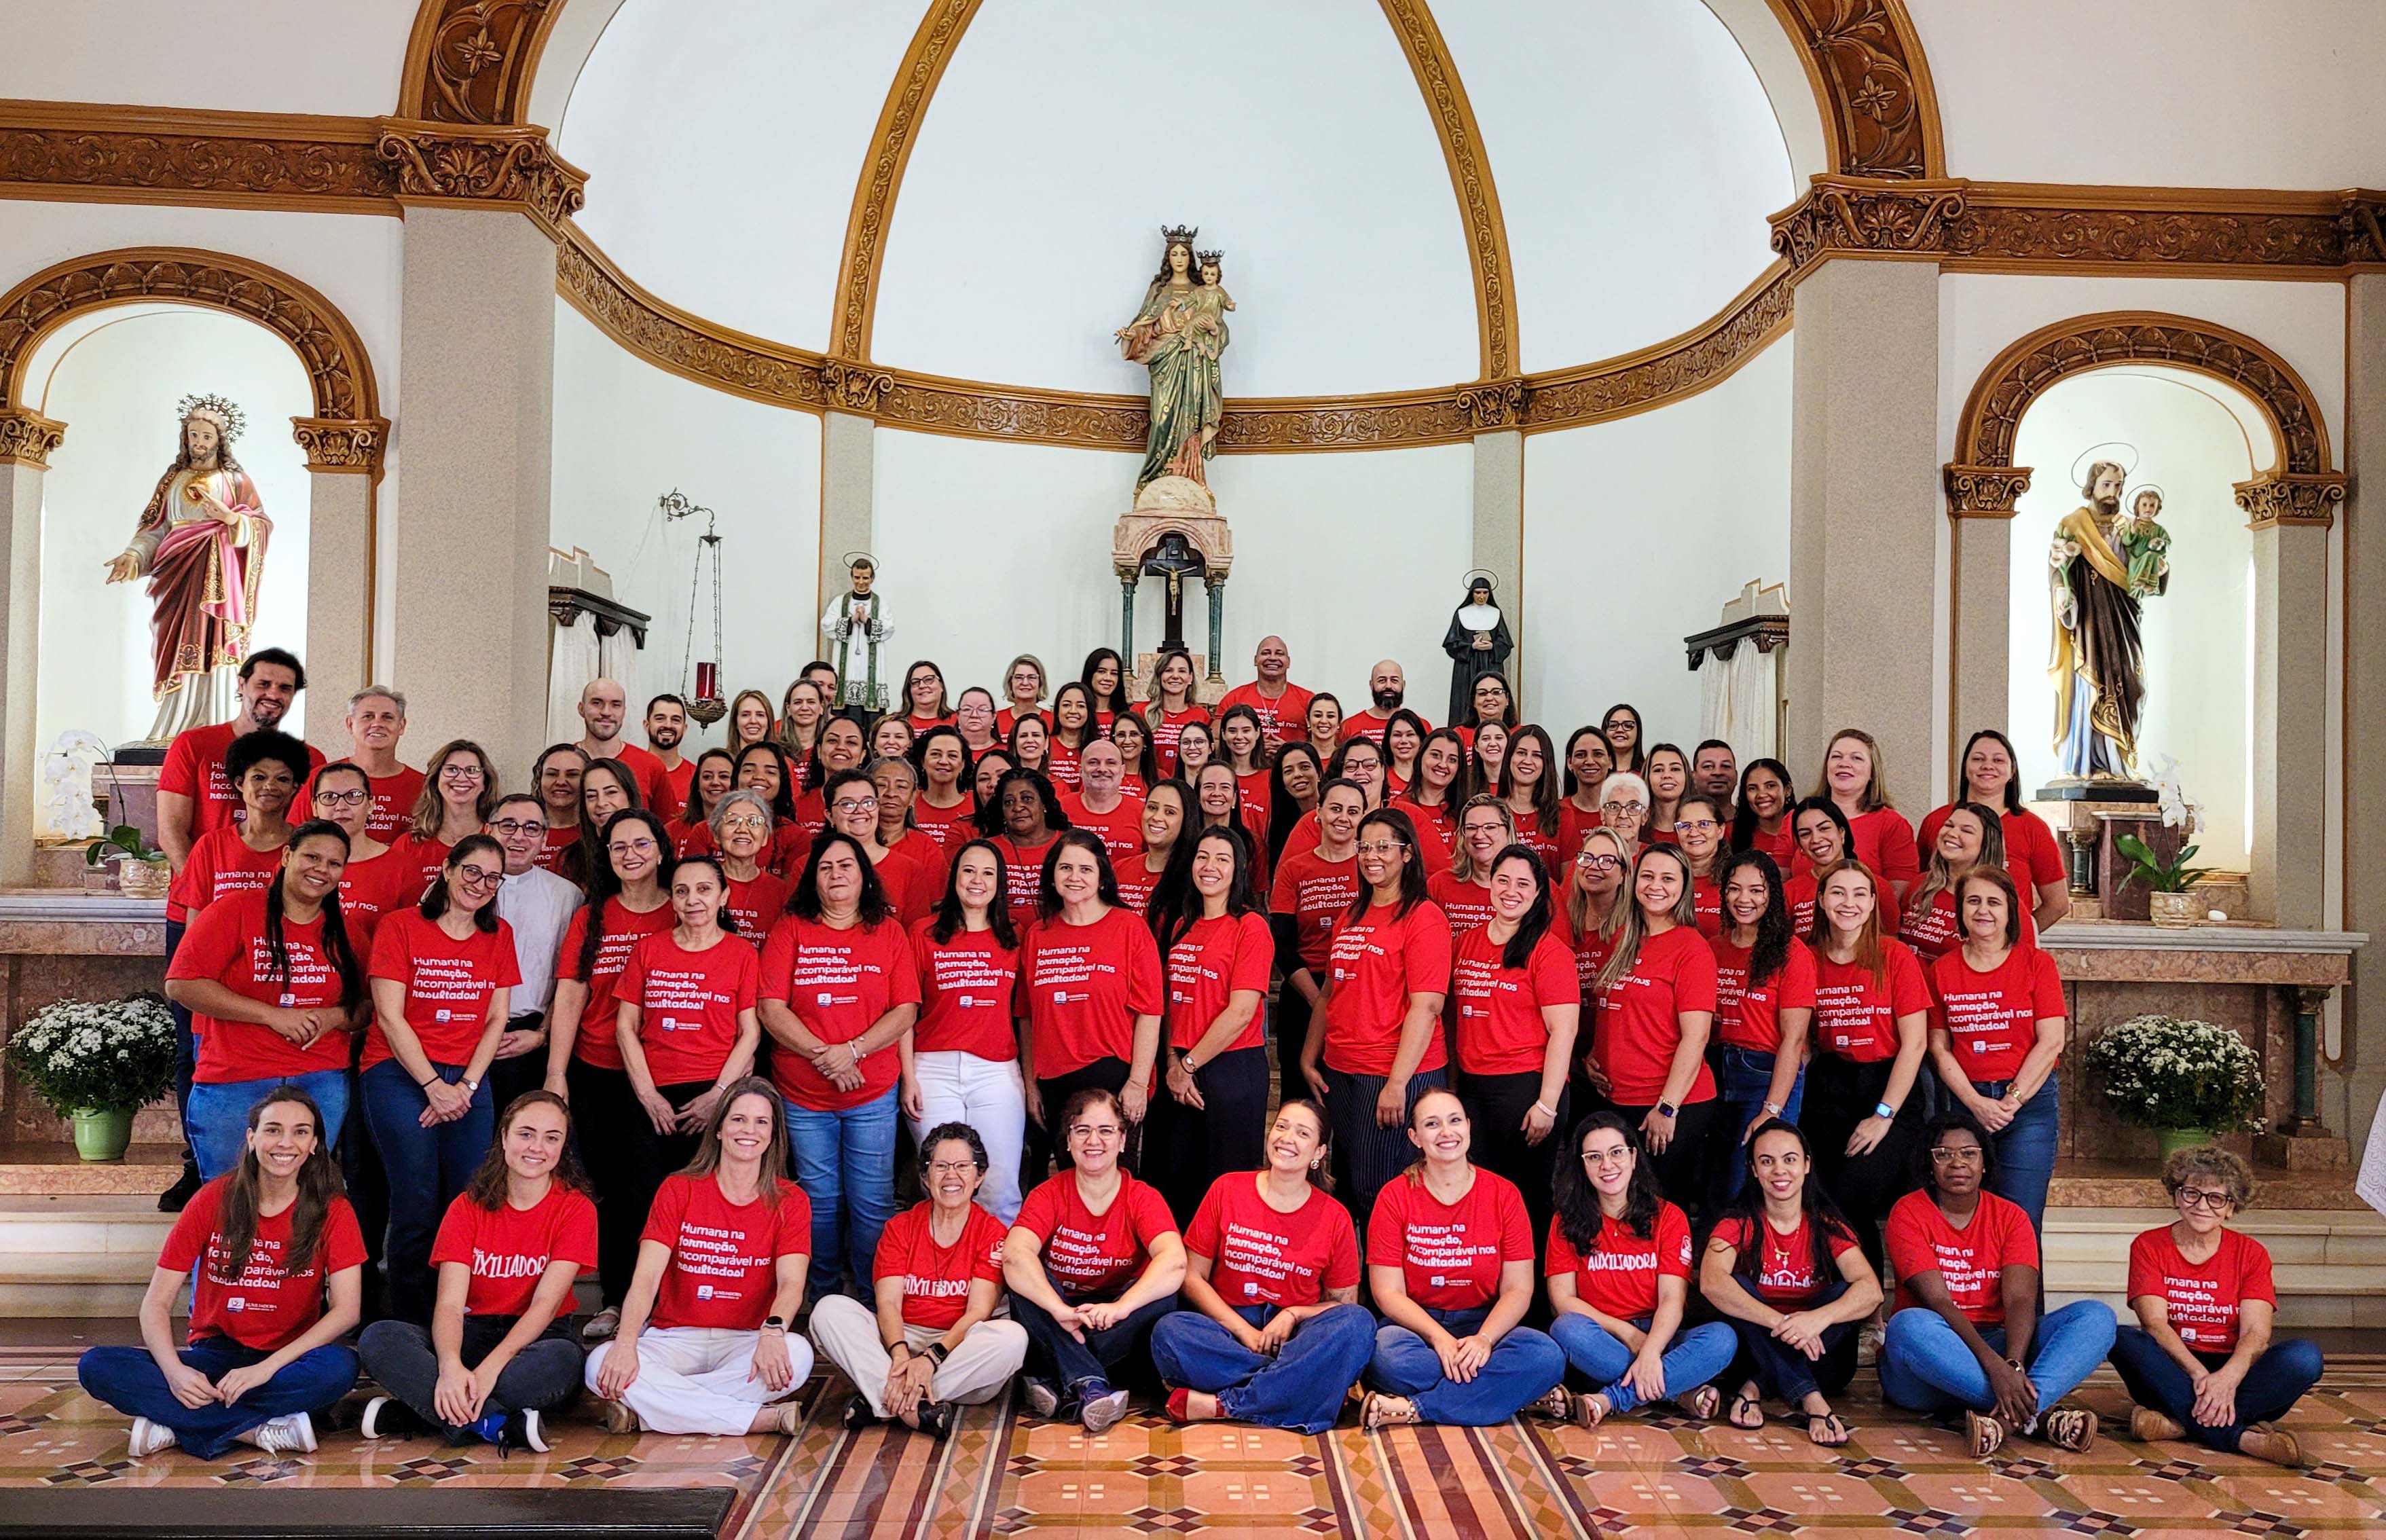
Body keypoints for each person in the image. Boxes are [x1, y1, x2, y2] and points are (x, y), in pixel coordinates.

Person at [78, 1089, 363, 1459]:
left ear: (314, 1145)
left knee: (339, 1368)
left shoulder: (333, 1210)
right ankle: (255, 1430)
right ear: (252, 1138)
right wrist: (175, 1374)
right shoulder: (213, 1198)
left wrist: (265, 1369)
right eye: (273, 1130)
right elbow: (156, 1304)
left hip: (284, 1362)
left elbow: (347, 1311)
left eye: (301, 1132)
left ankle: (179, 1424)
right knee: (97, 1366)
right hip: (214, 1356)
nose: (285, 1143)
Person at [357, 1090, 594, 1452]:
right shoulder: (467, 1207)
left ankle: (419, 1413)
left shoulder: (576, 1209)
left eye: (552, 1138)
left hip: (538, 1338)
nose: (537, 1147)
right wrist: (451, 1366)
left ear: (564, 1146)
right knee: (379, 1338)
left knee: (563, 1363)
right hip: (472, 1333)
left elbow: (545, 1305)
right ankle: (493, 1421)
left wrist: (488, 1371)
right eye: (526, 1134)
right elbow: (450, 1305)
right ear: (504, 1138)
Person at [585, 1080, 813, 1435]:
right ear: (719, 1128)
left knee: (797, 1355)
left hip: (747, 1339)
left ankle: (651, 1414)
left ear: (773, 1135)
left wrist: (772, 1333)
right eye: (738, 1119)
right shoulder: (679, 1188)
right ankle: (754, 1419)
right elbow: (645, 1278)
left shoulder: (791, 1200)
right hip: (674, 1337)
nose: (748, 1130)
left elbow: (792, 1282)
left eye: (761, 1122)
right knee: (600, 1364)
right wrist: (627, 1343)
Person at [1879, 1115, 2111, 1454]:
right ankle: (2040, 1414)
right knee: (1909, 1324)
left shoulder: (2011, 1216)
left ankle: (2005, 1420)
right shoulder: (1909, 1211)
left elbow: (2020, 1300)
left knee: (2096, 1318)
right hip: (1930, 1364)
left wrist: (2013, 1364)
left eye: (1969, 1153)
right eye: (1943, 1154)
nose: (1957, 1162)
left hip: (1999, 1345)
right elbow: (1938, 1301)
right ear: (1929, 1164)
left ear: (1985, 1163)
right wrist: (1996, 1369)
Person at [364, 835, 520, 1323]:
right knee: (416, 1197)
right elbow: (390, 1017)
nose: (480, 884)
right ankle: (407, 1318)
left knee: (469, 1198)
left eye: (492, 878)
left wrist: (467, 1088)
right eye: (472, 871)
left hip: (468, 1078)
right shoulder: (401, 926)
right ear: (448, 870)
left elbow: (498, 1020)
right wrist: (435, 1086)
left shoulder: (500, 935)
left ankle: (452, 1315)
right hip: (398, 1072)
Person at [760, 832, 921, 1300]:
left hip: (872, 1092)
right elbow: (772, 1007)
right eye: (825, 867)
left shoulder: (888, 932)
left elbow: (905, 1009)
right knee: (820, 1203)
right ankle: (824, 1295)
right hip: (803, 1095)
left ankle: (875, 1299)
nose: (835, 875)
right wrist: (826, 1056)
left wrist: (851, 1051)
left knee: (872, 1203)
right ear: (812, 878)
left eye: (845, 866)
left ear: (863, 876)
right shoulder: (790, 928)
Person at [1150, 1100, 1373, 1433]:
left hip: (1297, 1338)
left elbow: (1343, 1306)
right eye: (1282, 1126)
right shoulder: (1227, 1189)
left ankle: (1224, 1405)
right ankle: (1309, 1384)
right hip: (1230, 1329)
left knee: (1358, 1324)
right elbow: (1192, 1277)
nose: (1287, 1138)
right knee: (1169, 1333)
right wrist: (1245, 1333)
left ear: (1318, 1152)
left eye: (1302, 1133)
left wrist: (1293, 1314)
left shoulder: (1334, 1216)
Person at [164, 821, 365, 1179]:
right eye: (312, 857)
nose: (322, 869)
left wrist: (334, 1017)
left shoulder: (348, 931)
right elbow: (182, 983)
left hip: (320, 1079)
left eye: (334, 864)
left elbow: (367, 1007)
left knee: (305, 1201)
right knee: (230, 1200)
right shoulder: (235, 909)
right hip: (236, 1077)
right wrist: (272, 1016)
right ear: (287, 856)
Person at [545, 809, 678, 1340]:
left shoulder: (680, 909)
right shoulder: (592, 916)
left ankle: (668, 1302)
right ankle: (622, 1301)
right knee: (612, 1192)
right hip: (598, 1067)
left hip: (666, 1073)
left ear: (661, 850)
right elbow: (571, 994)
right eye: (618, 846)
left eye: (641, 844)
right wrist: (557, 1073)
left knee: (662, 1191)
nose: (630, 855)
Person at [1360, 1089, 1563, 1427]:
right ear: (1415, 1137)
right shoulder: (1394, 1196)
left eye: (1455, 1121)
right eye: (1432, 1124)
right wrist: (1439, 1339)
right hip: (1417, 1328)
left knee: (1546, 1355)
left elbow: (1519, 1289)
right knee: (1384, 1357)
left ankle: (1415, 1409)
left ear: (1468, 1127)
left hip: (1485, 1324)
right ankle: (1514, 1394)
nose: (1446, 1132)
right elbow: (1387, 1293)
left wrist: (1484, 1340)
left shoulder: (1504, 1195)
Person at [809, 1123, 1029, 1437]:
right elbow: (887, 1303)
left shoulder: (992, 1232)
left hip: (958, 1352)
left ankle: (882, 1399)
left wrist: (932, 1358)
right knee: (829, 1310)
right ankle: (918, 1410)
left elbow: (978, 1312)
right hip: (900, 1343)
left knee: (1012, 1339)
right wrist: (900, 1353)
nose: (951, 1176)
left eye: (963, 1167)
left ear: (979, 1176)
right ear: (925, 1178)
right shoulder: (901, 1227)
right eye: (939, 1167)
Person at [163, 729, 311, 1189]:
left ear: (295, 788)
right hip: (223, 1007)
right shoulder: (212, 846)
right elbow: (193, 931)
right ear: (240, 784)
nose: (270, 786)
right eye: (259, 776)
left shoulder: (304, 848)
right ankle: (200, 1174)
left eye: (283, 778)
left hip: (287, 1002)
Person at [2110, 1146, 2322, 1465]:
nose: (2201, 1206)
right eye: (2191, 1193)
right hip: (2173, 1367)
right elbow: (2154, 1323)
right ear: (2176, 1196)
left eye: (2215, 1198)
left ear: (2231, 1208)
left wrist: (2227, 1378)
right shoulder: (2149, 1245)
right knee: (2122, 1339)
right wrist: (2197, 1374)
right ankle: (2243, 1438)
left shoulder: (2252, 1253)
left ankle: (2176, 1424)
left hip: (2236, 1370)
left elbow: (2256, 1333)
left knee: (2305, 1358)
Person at [1002, 1087, 1187, 1431]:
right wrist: (1060, 1311)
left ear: (1122, 1140)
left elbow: (1174, 1260)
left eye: (1106, 1131)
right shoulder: (1049, 1194)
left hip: (1116, 1322)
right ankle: (1092, 1384)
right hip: (1058, 1316)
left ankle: (1059, 1378)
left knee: (1165, 1296)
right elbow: (1014, 1255)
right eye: (1082, 1130)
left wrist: (1121, 1308)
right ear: (1068, 1142)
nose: (1094, 1141)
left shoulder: (1142, 1197)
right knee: (1023, 1283)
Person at [1304, 807, 1451, 1230]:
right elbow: (1331, 991)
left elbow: (1426, 1007)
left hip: (1391, 1073)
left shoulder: (1424, 918)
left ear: (1407, 854)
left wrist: (1398, 1083)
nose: (1372, 855)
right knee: (1346, 1184)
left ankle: (1384, 1289)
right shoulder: (1351, 915)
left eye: (1384, 847)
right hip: (1341, 1069)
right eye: (1364, 846)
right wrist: (1309, 1058)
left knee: (1378, 1189)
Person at [1541, 1114, 1734, 1427]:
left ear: (1633, 1157)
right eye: (1594, 1157)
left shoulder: (1669, 1217)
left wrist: (1651, 1350)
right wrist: (1629, 1335)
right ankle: (1679, 1391)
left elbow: (1673, 1298)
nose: (1607, 1165)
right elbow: (1563, 1300)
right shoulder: (1565, 1221)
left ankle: (1613, 1398)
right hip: (1604, 1336)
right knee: (1567, 1328)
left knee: (1722, 1339)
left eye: (1616, 1152)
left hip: (1663, 1334)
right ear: (1582, 1165)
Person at [617, 854, 764, 1257]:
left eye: (704, 889)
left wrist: (719, 1095)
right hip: (652, 1093)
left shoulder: (742, 954)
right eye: (682, 891)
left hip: (714, 1096)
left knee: (707, 1203)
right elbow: (626, 1027)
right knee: (645, 1197)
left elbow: (749, 1031)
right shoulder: (649, 949)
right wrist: (648, 1096)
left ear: (723, 897)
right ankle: (638, 1301)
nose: (692, 899)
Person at [1701, 1120, 1881, 1446]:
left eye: (1789, 1159)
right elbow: (1712, 1283)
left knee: (1843, 1293)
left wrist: (1816, 1320)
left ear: (1807, 1165)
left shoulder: (1827, 1224)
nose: (1779, 1170)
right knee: (1736, 1284)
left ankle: (1756, 1387)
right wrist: (1781, 1322)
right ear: (1754, 1170)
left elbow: (1871, 1291)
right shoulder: (1737, 1222)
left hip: (1820, 1354)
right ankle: (1811, 1399)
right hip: (1752, 1351)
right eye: (1766, 1161)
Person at [1804, 860, 1929, 1284]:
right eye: (1838, 893)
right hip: (1829, 1088)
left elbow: (1915, 1043)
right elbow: (1802, 1037)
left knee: (1852, 1196)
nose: (1849, 903)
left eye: (1860, 894)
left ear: (1874, 902)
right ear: (1821, 900)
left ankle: (1869, 1308)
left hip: (1888, 1087)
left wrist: (1882, 1116)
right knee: (1822, 1198)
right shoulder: (1807, 957)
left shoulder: (1895, 956)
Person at [1448, 846, 1578, 1244]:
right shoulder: (1466, 943)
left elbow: (1564, 1031)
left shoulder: (1549, 951)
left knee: (1526, 1200)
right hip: (1473, 1088)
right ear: (1489, 881)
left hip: (1526, 1089)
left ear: (1539, 893)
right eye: (1503, 880)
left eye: (1523, 884)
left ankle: (1535, 1299)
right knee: (1481, 1195)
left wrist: (1547, 1105)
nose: (1511, 891)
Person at [1928, 868, 2068, 1232]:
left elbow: (2052, 1040)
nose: (1982, 911)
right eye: (1973, 901)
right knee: (1970, 1222)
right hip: (1966, 1104)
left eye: (1994, 902)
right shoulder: (1941, 970)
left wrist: (2012, 1101)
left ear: (2010, 912)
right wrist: (1976, 1104)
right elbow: (1940, 1049)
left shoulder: (2038, 964)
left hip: (2029, 1108)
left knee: (2021, 1222)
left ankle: (2022, 1293)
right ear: (1960, 911)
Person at [1150, 825, 1276, 1225]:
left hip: (1230, 1069)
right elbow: (1170, 1003)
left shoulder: (1250, 926)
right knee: (1177, 1182)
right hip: (1178, 1068)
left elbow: (1241, 1012)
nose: (1210, 867)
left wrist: (1188, 1067)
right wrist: (1173, 1060)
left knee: (1225, 1186)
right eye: (1203, 856)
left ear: (1238, 869)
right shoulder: (1180, 926)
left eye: (1223, 859)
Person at [1018, 831, 1164, 1153]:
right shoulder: (1037, 935)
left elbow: (1150, 1012)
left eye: (1086, 869)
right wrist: (1030, 1087)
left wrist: (1138, 1083)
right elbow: (1026, 1018)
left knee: (1113, 1186)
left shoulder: (1129, 928)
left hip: (1114, 1080)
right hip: (1054, 1085)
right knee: (1071, 1186)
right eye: (1065, 868)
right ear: (1052, 874)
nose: (1074, 877)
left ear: (1101, 878)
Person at [1588, 844, 1719, 1203]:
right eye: (1647, 876)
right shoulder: (1622, 939)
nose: (1655, 885)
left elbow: (1698, 1037)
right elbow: (1613, 1009)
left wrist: (1667, 1107)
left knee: (1658, 1207)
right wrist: (1592, 1055)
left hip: (1668, 1105)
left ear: (1684, 887)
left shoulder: (1692, 948)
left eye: (1667, 878)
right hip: (1617, 1099)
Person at [906, 841, 1029, 1224]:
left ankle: (998, 1279)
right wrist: (908, 1076)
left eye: (988, 873)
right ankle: (945, 1274)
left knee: (1001, 1184)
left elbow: (1024, 1013)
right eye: (969, 871)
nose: (978, 881)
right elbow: (905, 1012)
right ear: (954, 878)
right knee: (943, 1180)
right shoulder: (923, 932)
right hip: (932, 1069)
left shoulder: (1015, 936)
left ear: (1000, 884)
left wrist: (1028, 1075)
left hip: (996, 1069)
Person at [1709, 851, 1814, 1203]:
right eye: (1735, 889)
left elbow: (1795, 1040)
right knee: (1720, 1182)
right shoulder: (1714, 948)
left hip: (1767, 1074)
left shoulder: (1791, 952)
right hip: (1717, 1071)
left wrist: (1771, 1109)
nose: (1744, 899)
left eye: (1756, 890)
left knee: (1751, 1182)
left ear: (1772, 896)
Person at [155, 647, 316, 870]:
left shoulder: (312, 759)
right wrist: (200, 890)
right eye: (264, 684)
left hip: (276, 895)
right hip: (203, 894)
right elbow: (171, 830)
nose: (274, 695)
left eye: (285, 688)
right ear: (242, 684)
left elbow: (313, 836)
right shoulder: (194, 744)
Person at [1920, 729, 2072, 931]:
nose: (1988, 766)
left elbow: (2058, 904)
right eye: (1978, 759)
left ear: (2012, 771)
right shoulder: (1938, 821)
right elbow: (1920, 886)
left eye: (1998, 760)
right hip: (1938, 947)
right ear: (1966, 767)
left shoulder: (2033, 828)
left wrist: (2015, 939)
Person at [1269, 777, 1361, 1107]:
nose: (1343, 818)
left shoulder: (1372, 868)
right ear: (1318, 813)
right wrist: (1317, 999)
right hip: (1304, 991)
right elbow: (1281, 941)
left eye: (1353, 811)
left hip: (1358, 993)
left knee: (1349, 1102)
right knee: (1299, 1100)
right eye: (1335, 808)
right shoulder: (1295, 869)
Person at [488, 793, 583, 1112]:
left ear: (544, 838)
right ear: (489, 830)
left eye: (531, 828)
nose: (518, 836)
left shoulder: (568, 896)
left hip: (531, 1038)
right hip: (464, 1036)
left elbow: (570, 979)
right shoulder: (455, 888)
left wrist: (542, 1034)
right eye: (508, 825)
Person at [307, 760, 407, 957]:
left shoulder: (402, 867)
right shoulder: (295, 866)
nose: (341, 806)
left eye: (353, 796)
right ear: (315, 807)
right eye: (329, 797)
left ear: (371, 804)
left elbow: (407, 946)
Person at [1812, 729, 1920, 897]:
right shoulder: (1797, 819)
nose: (1844, 763)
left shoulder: (1893, 824)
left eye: (1856, 758)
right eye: (1836, 756)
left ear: (1872, 772)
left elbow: (1898, 895)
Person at [391, 739, 503, 898]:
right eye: (452, 769)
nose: (462, 778)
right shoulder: (407, 846)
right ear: (436, 780)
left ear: (485, 782)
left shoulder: (499, 840)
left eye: (472, 770)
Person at [1901, 802, 2009, 961]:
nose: (1952, 833)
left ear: (1987, 844)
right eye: (1949, 825)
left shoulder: (2003, 904)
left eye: (1966, 830)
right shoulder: (1919, 885)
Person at [990, 768, 1068, 928]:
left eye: (1027, 799)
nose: (1018, 807)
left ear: (1044, 804)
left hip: (1061, 940)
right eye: (1009, 802)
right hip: (1002, 938)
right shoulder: (987, 850)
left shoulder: (1070, 845)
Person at [708, 789, 789, 941]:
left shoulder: (780, 890)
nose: (743, 830)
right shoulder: (702, 884)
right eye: (733, 821)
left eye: (754, 822)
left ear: (765, 837)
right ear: (717, 835)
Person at [344, 686, 422, 841]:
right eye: (368, 716)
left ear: (401, 726)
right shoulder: (323, 779)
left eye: (387, 717)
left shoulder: (424, 786)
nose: (377, 724)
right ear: (350, 724)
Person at [822, 555, 892, 721]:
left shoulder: (880, 603)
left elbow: (889, 628)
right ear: (852, 577)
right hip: (847, 666)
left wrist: (867, 621)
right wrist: (850, 621)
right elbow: (826, 624)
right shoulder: (840, 602)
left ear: (872, 578)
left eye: (865, 578)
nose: (861, 582)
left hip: (870, 669)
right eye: (857, 577)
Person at [559, 757, 646, 891]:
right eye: (592, 796)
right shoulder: (568, 860)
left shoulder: (652, 851)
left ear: (629, 795)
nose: (601, 803)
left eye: (611, 792)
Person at [1218, 636, 1315, 746]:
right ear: (1255, 660)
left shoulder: (1307, 700)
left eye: (1279, 654)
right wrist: (1252, 750)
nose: (1273, 658)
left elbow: (1326, 743)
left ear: (1288, 662)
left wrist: (1289, 750)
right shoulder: (1234, 698)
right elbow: (1216, 740)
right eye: (1266, 653)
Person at [1393, 727, 1467, 868]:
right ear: (1421, 756)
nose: (1443, 764)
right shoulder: (1398, 806)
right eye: (1435, 755)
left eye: (1452, 760)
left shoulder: (1466, 811)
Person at [1059, 739, 1143, 862]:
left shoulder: (1141, 812)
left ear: (1122, 771)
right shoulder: (1060, 808)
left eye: (1111, 763)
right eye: (1093, 762)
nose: (1102, 769)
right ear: (1080, 770)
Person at [1495, 725, 1564, 875]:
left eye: (1537, 755)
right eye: (1521, 753)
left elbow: (1569, 885)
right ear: (1509, 758)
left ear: (1546, 764)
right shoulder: (1491, 812)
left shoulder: (1563, 816)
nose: (1528, 761)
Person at [1115, 779, 1188, 915]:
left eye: (1170, 812)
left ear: (1186, 820)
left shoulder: (1192, 877)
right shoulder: (1120, 869)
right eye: (1152, 808)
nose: (1157, 817)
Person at [909, 725, 977, 856]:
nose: (943, 761)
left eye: (952, 756)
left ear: (962, 764)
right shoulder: (908, 802)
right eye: (935, 754)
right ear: (923, 761)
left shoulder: (976, 804)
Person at [1671, 793, 1730, 934]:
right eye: (1685, 826)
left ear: (1720, 830)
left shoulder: (1735, 878)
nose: (1694, 832)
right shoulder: (1666, 879)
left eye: (1704, 824)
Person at [1143, 649, 1208, 776]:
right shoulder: (1141, 712)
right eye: (1168, 670)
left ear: (1190, 678)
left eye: (1182, 671)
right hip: (1150, 783)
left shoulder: (1201, 715)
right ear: (1160, 676)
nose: (1175, 676)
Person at [1729, 757, 1799, 868]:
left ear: (1787, 790)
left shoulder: (1804, 832)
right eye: (1752, 788)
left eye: (1770, 786)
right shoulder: (1731, 833)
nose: (1761, 794)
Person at [1559, 727, 1616, 862]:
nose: (1590, 761)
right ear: (1569, 762)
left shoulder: (1622, 814)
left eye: (1598, 754)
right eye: (1581, 755)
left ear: (1611, 761)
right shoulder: (1557, 812)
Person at [633, 695, 693, 816]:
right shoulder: (630, 771)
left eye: (676, 720)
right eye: (660, 719)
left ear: (685, 728)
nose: (668, 725)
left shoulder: (696, 777)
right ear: (646, 725)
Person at [531, 744, 586, 873]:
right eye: (552, 774)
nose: (561, 782)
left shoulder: (598, 834)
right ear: (539, 780)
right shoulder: (520, 831)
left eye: (572, 775)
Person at [1342, 660, 1422, 746]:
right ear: (1371, 685)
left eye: (1394, 680)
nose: (1388, 686)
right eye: (1382, 681)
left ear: (1403, 685)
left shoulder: (1421, 726)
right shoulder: (1349, 726)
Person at [675, 748, 737, 857]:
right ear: (697, 785)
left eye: (724, 777)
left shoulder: (746, 831)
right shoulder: (673, 831)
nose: (715, 782)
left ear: (736, 784)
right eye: (707, 777)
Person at [1048, 680, 1097, 790]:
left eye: (1080, 706)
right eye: (1066, 705)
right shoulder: (1044, 745)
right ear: (1057, 711)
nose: (1073, 711)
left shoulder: (1097, 749)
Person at [775, 680, 824, 774]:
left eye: (811, 702)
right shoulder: (774, 746)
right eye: (798, 702)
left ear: (821, 707)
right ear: (788, 708)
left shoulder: (829, 747)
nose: (805, 708)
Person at [1643, 744, 1689, 844]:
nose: (1667, 775)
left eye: (1675, 769)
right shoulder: (1635, 829)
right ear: (1647, 777)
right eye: (1658, 770)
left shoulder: (1698, 831)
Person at [1597, 770, 1652, 853]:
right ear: (1602, 814)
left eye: (1633, 807)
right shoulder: (1590, 856)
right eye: (1614, 807)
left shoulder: (1654, 857)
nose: (1623, 815)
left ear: (1644, 816)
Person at [996, 654, 1050, 737]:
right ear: (1010, 682)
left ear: (1041, 682)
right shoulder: (996, 719)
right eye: (1019, 677)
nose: (1025, 683)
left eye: (1031, 677)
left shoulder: (1053, 721)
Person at [1080, 646, 1133, 729]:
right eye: (1102, 672)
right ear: (1090, 674)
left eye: (1114, 673)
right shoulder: (1078, 714)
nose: (1108, 678)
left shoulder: (1127, 716)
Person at [1107, 713, 1159, 792]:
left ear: (1145, 741)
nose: (1127, 741)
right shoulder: (1102, 776)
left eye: (1134, 734)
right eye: (1121, 735)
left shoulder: (1160, 777)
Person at [1381, 709, 1427, 794]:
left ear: (1421, 740)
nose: (1404, 741)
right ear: (1388, 740)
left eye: (1410, 735)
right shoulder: (1380, 777)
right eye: (1397, 735)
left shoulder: (1431, 777)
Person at [901, 661, 954, 733]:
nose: (922, 686)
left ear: (941, 685)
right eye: (915, 682)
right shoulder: (895, 723)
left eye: (929, 679)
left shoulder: (959, 721)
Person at [1692, 740, 1738, 817]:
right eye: (1708, 766)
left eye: (1726, 766)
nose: (1718, 772)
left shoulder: (1755, 824)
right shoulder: (1680, 824)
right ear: (1693, 777)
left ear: (1736, 776)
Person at [1601, 703, 1647, 779]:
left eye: (1628, 726)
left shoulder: (1647, 774)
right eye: (1613, 726)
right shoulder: (1595, 772)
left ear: (1638, 732)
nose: (1620, 730)